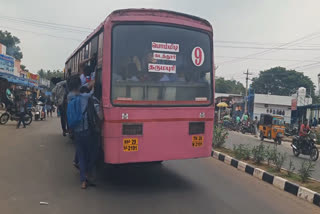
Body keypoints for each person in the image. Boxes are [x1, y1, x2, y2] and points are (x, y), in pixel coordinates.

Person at [67, 76, 96, 189]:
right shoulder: (84, 97)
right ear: (79, 84)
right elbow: (92, 93)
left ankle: (83, 181)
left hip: (76, 130)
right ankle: (89, 175)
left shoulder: (70, 97)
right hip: (86, 130)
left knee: (81, 155)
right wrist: (92, 85)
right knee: (88, 154)